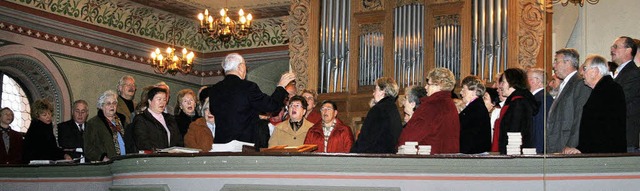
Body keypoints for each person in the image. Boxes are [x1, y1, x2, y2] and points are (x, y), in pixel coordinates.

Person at [199, 53, 295, 144]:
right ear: (240, 67)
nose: (246, 69)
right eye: (245, 66)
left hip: (221, 145)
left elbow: (214, 110)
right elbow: (271, 106)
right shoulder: (248, 87)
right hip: (243, 146)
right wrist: (281, 86)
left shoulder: (215, 89)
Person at [564, 55, 627, 154]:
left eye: (585, 69)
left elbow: (602, 127)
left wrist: (582, 149)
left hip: (605, 155)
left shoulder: (608, 90)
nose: (581, 73)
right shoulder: (602, 89)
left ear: (595, 71)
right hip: (600, 152)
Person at [397, 68, 460, 154]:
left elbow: (410, 138)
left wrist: (399, 146)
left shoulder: (431, 106)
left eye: (428, 84)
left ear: (439, 85)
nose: (426, 87)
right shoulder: (450, 104)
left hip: (429, 161)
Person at [546, 48, 591, 154]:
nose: (554, 65)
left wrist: (571, 145)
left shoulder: (580, 83)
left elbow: (580, 116)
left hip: (567, 146)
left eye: (557, 61)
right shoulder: (565, 83)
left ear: (568, 63)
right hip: (558, 143)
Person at [350, 77, 402, 153]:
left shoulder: (378, 110)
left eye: (376, 89)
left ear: (383, 91)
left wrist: (352, 155)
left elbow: (365, 139)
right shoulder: (393, 109)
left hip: (375, 159)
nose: (373, 93)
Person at [493, 68, 538, 154]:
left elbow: (514, 133)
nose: (501, 86)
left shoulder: (518, 103)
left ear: (512, 82)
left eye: (503, 82)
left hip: (513, 153)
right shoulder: (515, 101)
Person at [610, 36, 640, 153]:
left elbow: (620, 100)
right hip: (616, 137)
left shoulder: (634, 73)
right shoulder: (620, 72)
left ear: (628, 50)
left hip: (625, 138)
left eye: (616, 47)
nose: (612, 49)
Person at [84, 90, 128, 162]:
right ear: (101, 106)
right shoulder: (93, 123)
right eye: (108, 103)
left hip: (125, 162)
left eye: (114, 103)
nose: (112, 106)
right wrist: (103, 158)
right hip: (106, 165)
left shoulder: (122, 121)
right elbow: (89, 148)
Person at [458, 76, 491, 154]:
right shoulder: (476, 106)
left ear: (474, 91)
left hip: (473, 154)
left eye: (464, 89)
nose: (461, 92)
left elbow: (468, 136)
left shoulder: (475, 108)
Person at [527, 68, 554, 154]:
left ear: (536, 81)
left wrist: (537, 152)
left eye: (527, 78)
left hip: (538, 150)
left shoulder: (543, 99)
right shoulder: (536, 98)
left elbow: (540, 128)